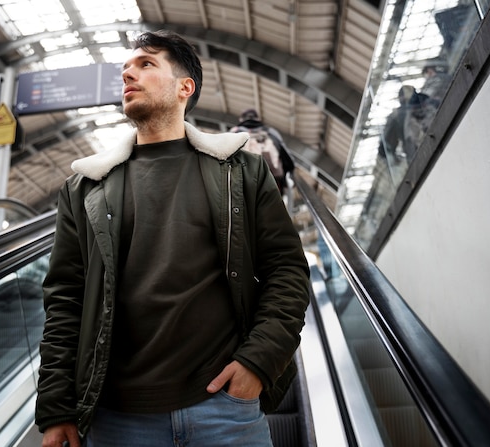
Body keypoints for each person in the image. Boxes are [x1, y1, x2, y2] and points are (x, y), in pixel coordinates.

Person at [35, 29, 311, 447]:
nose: (129, 75)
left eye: (146, 65)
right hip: (115, 420)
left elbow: (287, 270)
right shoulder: (85, 188)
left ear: (186, 87)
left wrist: (258, 362)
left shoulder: (241, 171)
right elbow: (65, 300)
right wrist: (56, 407)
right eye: (126, 69)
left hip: (224, 410)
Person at [231, 109, 295, 194]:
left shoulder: (234, 132)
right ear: (258, 119)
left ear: (241, 119)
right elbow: (287, 157)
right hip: (271, 181)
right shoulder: (270, 131)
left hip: (242, 182)